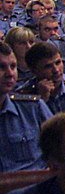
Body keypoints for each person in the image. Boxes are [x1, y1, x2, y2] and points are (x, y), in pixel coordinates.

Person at [0, 43, 53, 172]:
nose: (10, 73)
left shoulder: (33, 108)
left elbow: (61, 148)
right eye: (1, 67)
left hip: (34, 188)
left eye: (13, 66)